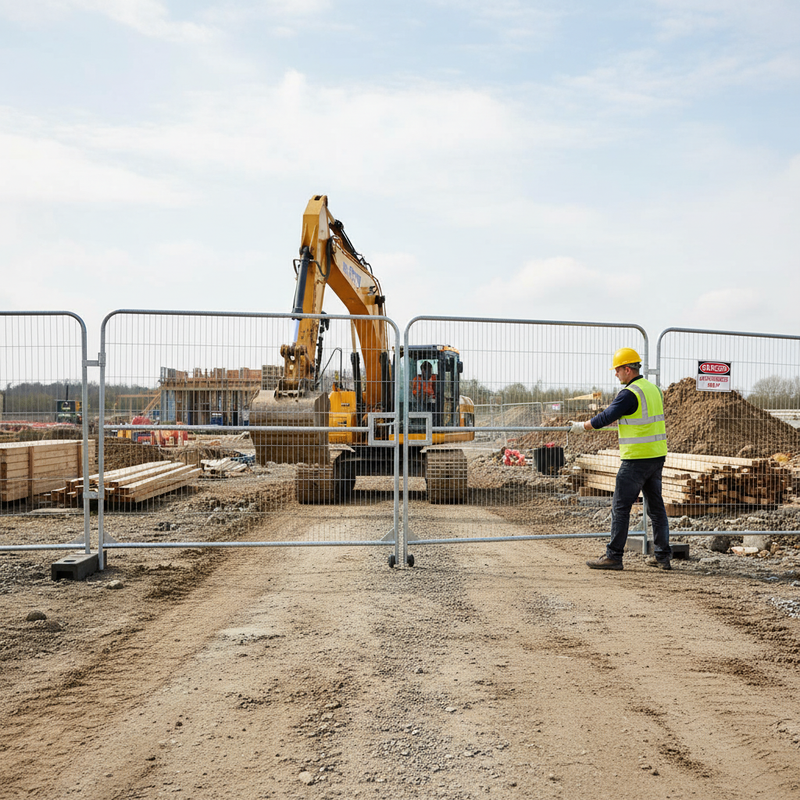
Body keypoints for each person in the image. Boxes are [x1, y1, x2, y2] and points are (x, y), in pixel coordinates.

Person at [570, 347, 671, 571]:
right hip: (656, 456)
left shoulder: (629, 393)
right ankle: (663, 556)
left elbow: (607, 416)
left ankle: (614, 556)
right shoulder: (654, 389)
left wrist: (583, 426)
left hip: (636, 460)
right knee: (656, 508)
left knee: (620, 507)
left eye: (617, 370)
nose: (615, 374)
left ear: (627, 369)